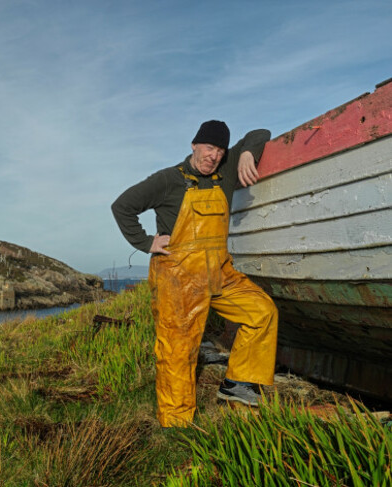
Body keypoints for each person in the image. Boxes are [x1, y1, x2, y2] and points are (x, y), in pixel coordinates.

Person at [111, 120, 278, 428]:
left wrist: (247, 154)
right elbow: (122, 206)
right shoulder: (167, 180)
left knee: (262, 311)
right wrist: (146, 242)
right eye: (209, 148)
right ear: (194, 145)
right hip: (179, 277)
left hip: (219, 272)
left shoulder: (225, 172)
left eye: (220, 150)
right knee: (177, 350)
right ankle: (176, 423)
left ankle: (237, 385)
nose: (213, 156)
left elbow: (260, 133)